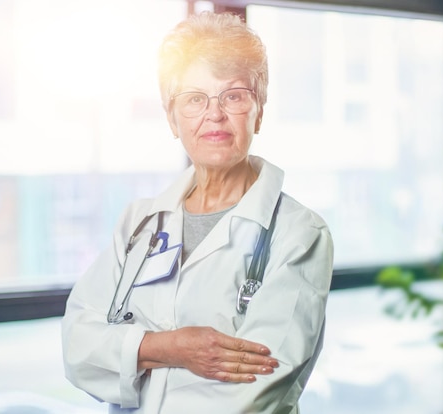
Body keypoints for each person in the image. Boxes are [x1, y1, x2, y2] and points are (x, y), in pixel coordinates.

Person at [61, 11, 334, 414]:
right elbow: (78, 349)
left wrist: (132, 356)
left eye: (234, 95)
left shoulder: (299, 233)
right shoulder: (140, 223)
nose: (215, 114)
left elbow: (257, 388)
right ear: (173, 119)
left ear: (259, 110)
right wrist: (173, 349)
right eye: (193, 99)